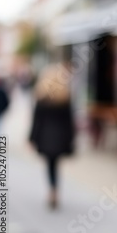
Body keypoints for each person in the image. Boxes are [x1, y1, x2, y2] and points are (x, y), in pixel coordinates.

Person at [29, 64, 76, 210]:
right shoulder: (65, 98)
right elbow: (70, 121)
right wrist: (71, 138)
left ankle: (52, 190)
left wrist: (32, 138)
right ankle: (55, 190)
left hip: (45, 137)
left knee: (50, 165)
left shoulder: (42, 98)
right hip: (60, 137)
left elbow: (36, 121)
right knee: (55, 164)